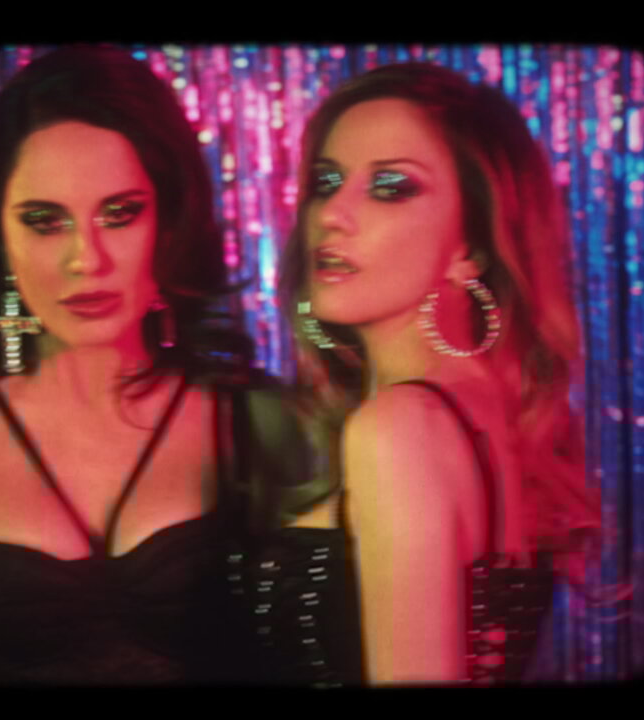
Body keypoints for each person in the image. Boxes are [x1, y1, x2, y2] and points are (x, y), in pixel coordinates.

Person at [0, 45, 300, 685]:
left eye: (119, 214)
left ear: (168, 220)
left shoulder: (253, 420)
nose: (85, 259)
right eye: (45, 221)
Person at [230, 63, 608, 686]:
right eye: (327, 181)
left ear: (470, 248)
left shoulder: (399, 430)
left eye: (390, 187)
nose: (332, 214)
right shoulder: (478, 413)